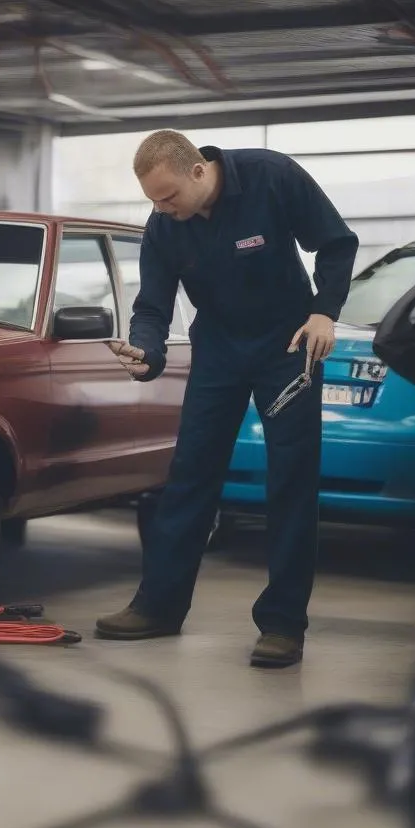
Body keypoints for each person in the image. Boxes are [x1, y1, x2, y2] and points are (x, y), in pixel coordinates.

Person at [96, 130, 359, 668]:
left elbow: (337, 242)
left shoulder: (271, 177)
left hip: (288, 348)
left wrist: (324, 311)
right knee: (190, 474)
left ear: (198, 171)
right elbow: (152, 306)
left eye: (167, 197)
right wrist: (145, 352)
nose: (161, 209)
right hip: (217, 351)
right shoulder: (164, 225)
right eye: (152, 201)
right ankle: (159, 607)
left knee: (290, 481)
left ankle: (283, 626)